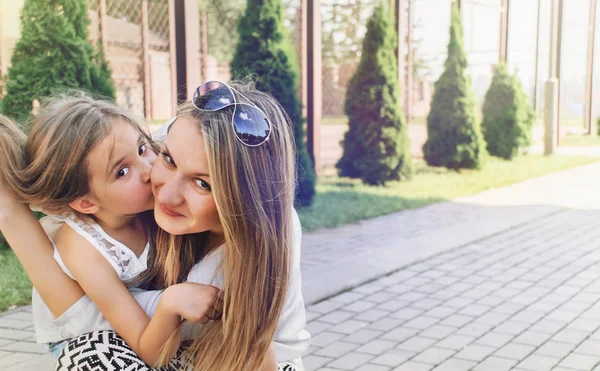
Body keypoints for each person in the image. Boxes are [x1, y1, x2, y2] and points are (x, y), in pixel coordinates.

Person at [0, 81, 310, 371]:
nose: (154, 177)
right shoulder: (84, 244)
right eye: (169, 159)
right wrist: (168, 303)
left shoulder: (265, 243)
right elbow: (105, 329)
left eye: (202, 183)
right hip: (93, 331)